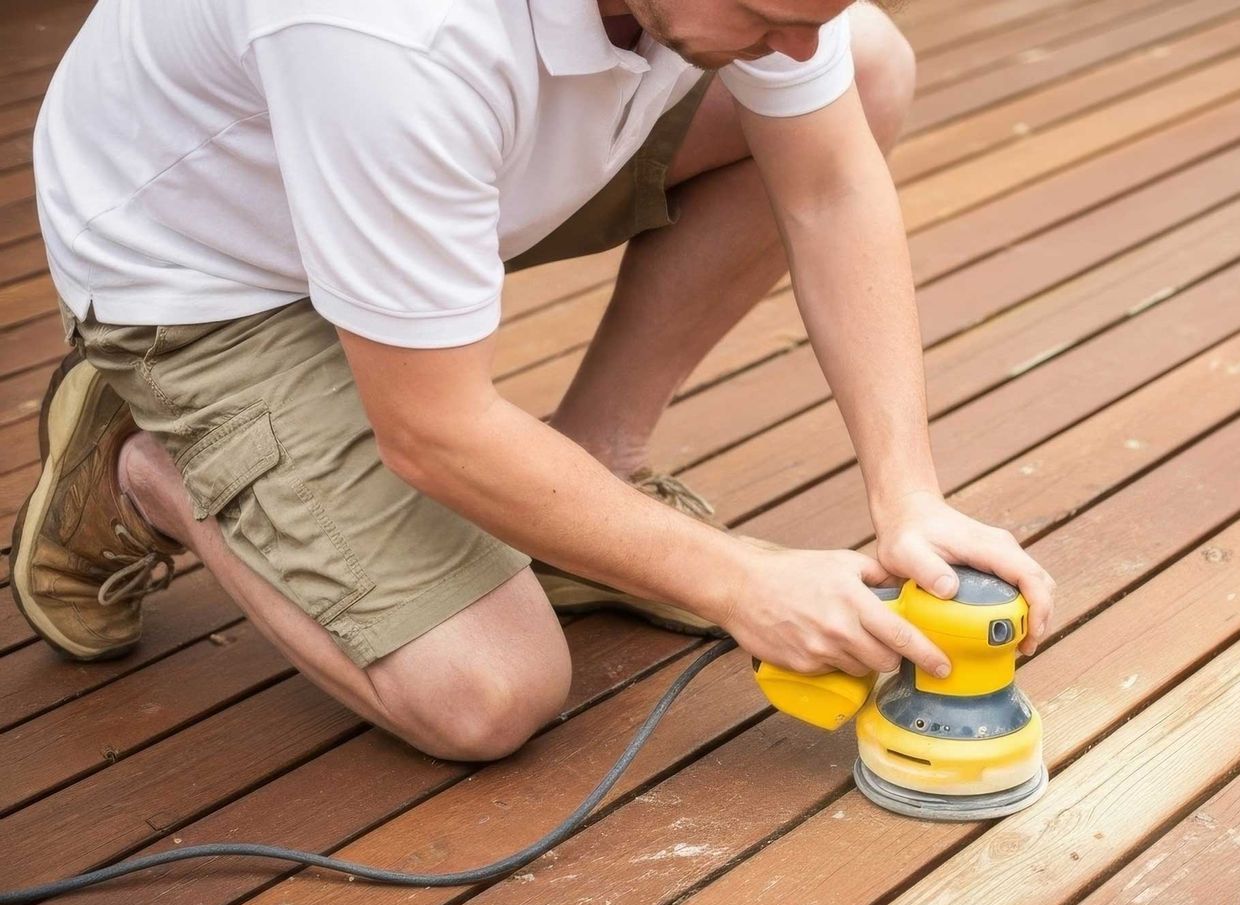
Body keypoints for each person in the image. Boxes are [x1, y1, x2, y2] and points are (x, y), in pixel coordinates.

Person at [16, 0, 1056, 762]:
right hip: (209, 275)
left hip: (424, 173)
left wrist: (908, 493)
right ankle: (149, 461)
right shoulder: (391, 33)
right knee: (486, 693)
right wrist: (737, 582)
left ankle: (593, 465)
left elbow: (827, 188)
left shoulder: (758, 13)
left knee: (864, 67)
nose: (793, 41)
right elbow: (433, 432)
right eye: (767, 13)